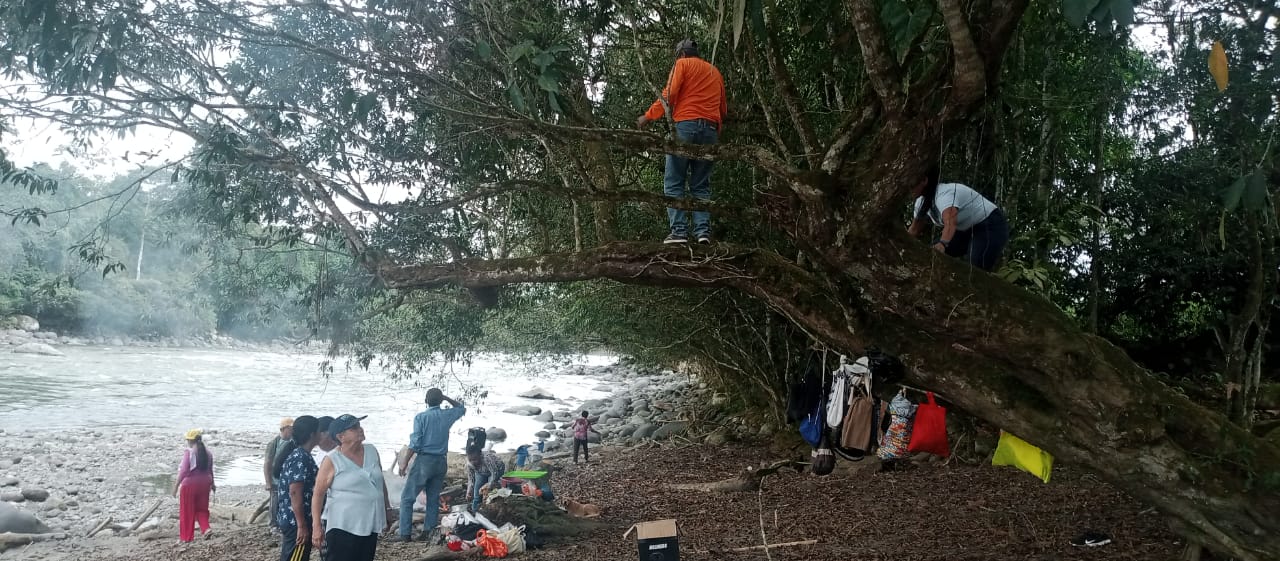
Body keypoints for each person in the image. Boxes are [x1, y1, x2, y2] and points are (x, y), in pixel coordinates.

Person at [636, 38, 727, 245]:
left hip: (686, 126)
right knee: (701, 185)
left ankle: (679, 232)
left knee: (674, 181)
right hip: (710, 130)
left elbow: (669, 94)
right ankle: (703, 233)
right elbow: (722, 108)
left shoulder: (682, 64)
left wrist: (648, 116)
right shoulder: (714, 71)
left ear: (682, 55)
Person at [311, 414, 391, 561]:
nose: (360, 429)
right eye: (353, 428)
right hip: (342, 525)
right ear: (340, 436)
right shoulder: (332, 459)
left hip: (370, 522)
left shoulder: (371, 451)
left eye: (359, 426)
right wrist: (316, 526)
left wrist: (387, 508)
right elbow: (318, 494)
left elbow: (380, 483)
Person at [907, 164, 1010, 272]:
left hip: (990, 224)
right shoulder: (921, 202)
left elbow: (950, 224)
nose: (908, 189)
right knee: (931, 255)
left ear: (924, 180)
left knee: (975, 268)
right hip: (965, 230)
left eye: (911, 185)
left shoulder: (944, 195)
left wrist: (942, 244)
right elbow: (914, 230)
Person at [395, 388, 466, 541]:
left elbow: (415, 443)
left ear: (426, 401)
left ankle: (405, 534)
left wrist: (404, 462)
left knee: (407, 498)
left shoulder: (421, 418)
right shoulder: (446, 415)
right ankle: (429, 532)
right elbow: (461, 408)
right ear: (441, 401)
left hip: (425, 461)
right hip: (441, 461)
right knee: (433, 498)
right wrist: (446, 398)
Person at [274, 415, 320, 561]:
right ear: (312, 434)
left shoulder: (301, 454)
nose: (321, 434)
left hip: (295, 519)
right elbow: (294, 492)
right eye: (319, 431)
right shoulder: (300, 457)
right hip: (296, 521)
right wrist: (301, 525)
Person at [173, 428, 215, 542]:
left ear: (191, 440)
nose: (187, 441)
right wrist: (213, 484)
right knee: (202, 509)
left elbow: (184, 471)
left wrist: (176, 486)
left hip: (190, 485)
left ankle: (186, 538)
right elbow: (210, 470)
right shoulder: (208, 453)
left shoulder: (189, 452)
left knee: (187, 511)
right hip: (205, 483)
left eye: (188, 439)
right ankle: (206, 528)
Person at [265, 417, 295, 533]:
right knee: (275, 501)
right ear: (283, 429)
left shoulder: (293, 442)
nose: (292, 431)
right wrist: (268, 482)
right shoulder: (274, 443)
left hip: (287, 479)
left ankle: (283, 523)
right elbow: (267, 463)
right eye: (290, 428)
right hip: (275, 479)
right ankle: (273, 524)